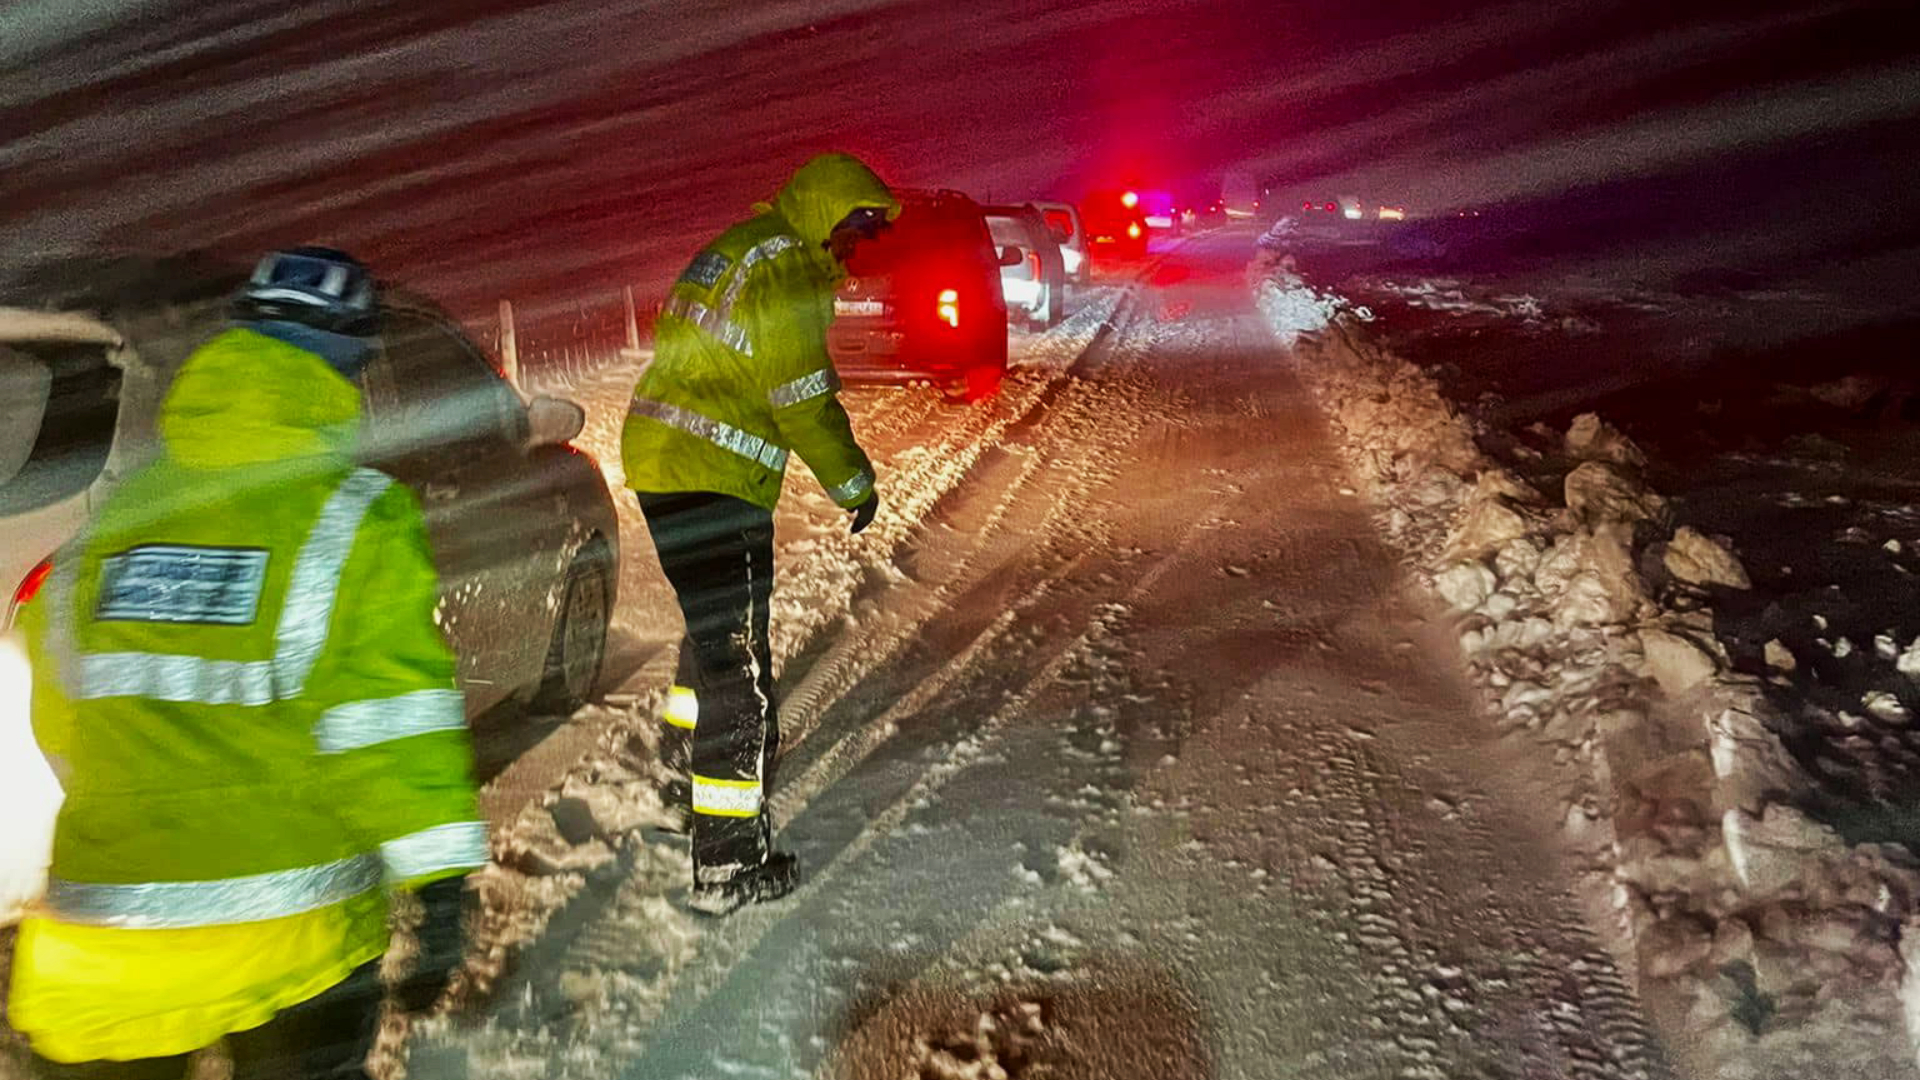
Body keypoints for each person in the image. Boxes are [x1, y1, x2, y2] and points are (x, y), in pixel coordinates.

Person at [9, 247, 488, 1079]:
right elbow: (394, 724)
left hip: (106, 944)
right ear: (343, 374)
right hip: (292, 939)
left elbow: (60, 715)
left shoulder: (124, 515)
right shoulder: (354, 519)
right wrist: (440, 888)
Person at [621, 152, 896, 916]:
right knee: (740, 663)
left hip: (663, 459)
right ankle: (727, 860)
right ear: (826, 215)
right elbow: (802, 401)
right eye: (852, 234)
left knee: (713, 631)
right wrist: (855, 484)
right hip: (714, 471)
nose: (853, 252)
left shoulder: (742, 247)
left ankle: (686, 760)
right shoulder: (785, 273)